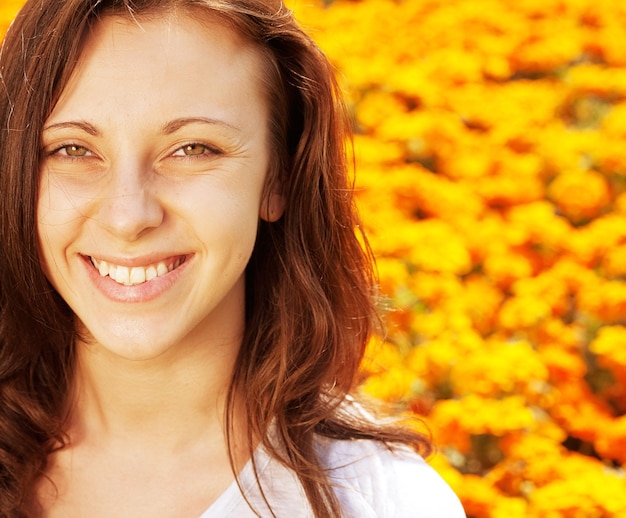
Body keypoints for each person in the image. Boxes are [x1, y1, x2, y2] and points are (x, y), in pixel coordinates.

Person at [0, 0, 466, 516]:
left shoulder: (385, 502)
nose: (128, 216)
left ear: (278, 177)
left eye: (193, 148)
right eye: (72, 150)